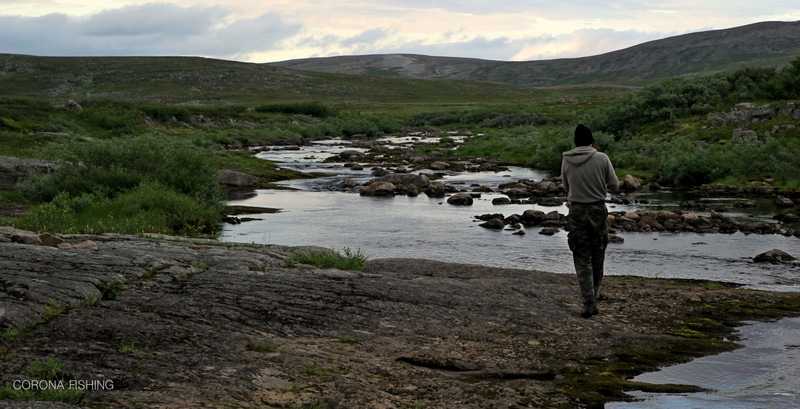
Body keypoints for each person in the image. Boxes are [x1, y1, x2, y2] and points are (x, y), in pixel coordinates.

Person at [560, 124, 619, 318]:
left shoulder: (566, 159)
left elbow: (565, 186)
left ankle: (588, 302)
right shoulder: (602, 158)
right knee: (598, 252)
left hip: (576, 211)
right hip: (597, 209)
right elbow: (615, 185)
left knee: (581, 255)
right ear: (592, 140)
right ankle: (595, 294)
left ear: (575, 141)